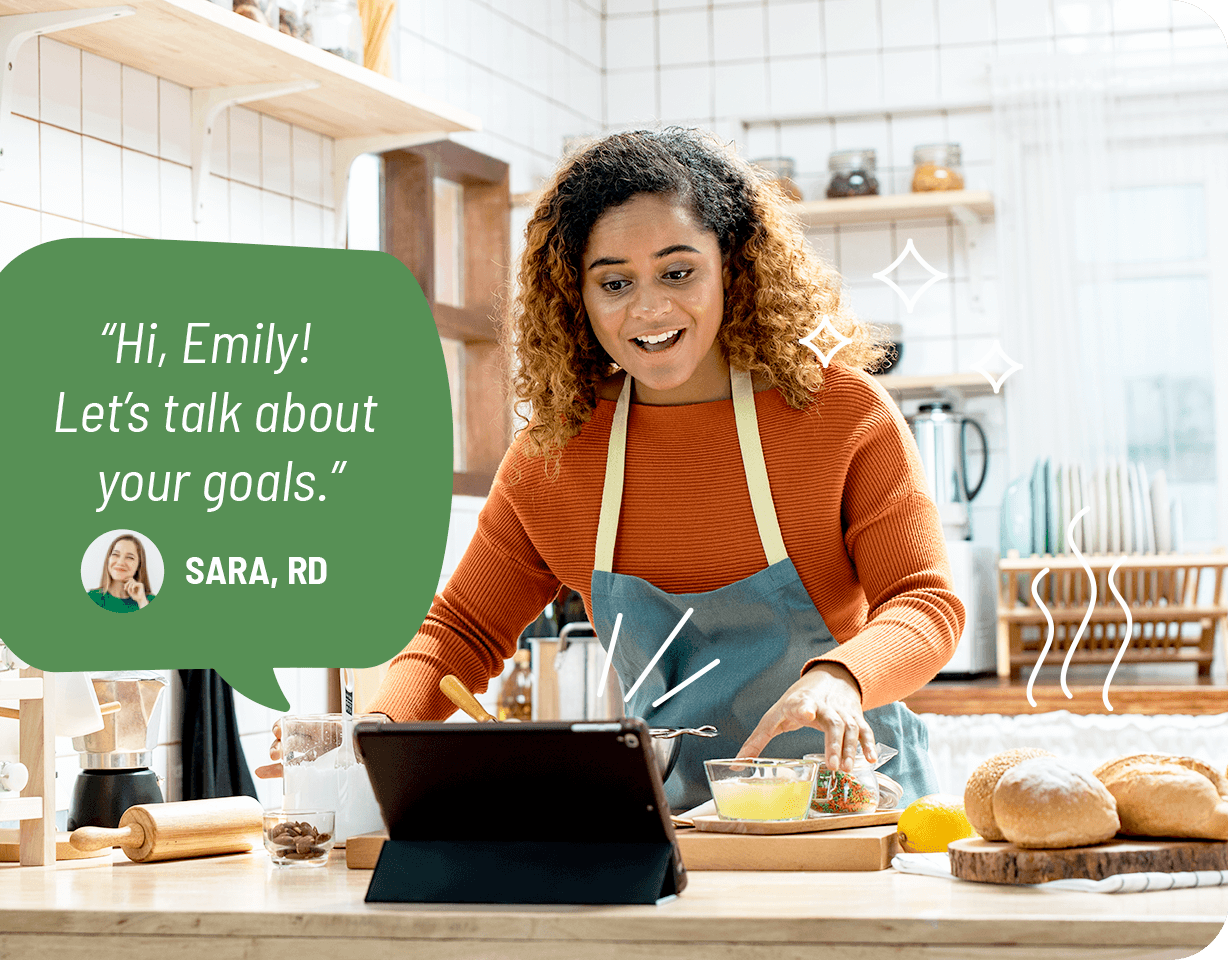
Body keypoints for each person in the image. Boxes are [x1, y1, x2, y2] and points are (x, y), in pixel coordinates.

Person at [283, 128, 964, 809]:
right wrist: (375, 731)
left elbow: (925, 603)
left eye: (679, 271)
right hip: (678, 827)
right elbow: (461, 630)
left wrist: (841, 678)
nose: (648, 308)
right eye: (615, 281)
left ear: (733, 265)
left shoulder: (838, 412)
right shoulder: (558, 453)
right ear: (575, 293)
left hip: (852, 811)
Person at [87, 534, 156, 612]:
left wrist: (142, 602)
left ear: (139, 565)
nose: (120, 562)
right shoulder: (92, 597)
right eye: (115, 554)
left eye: (130, 557)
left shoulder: (149, 601)